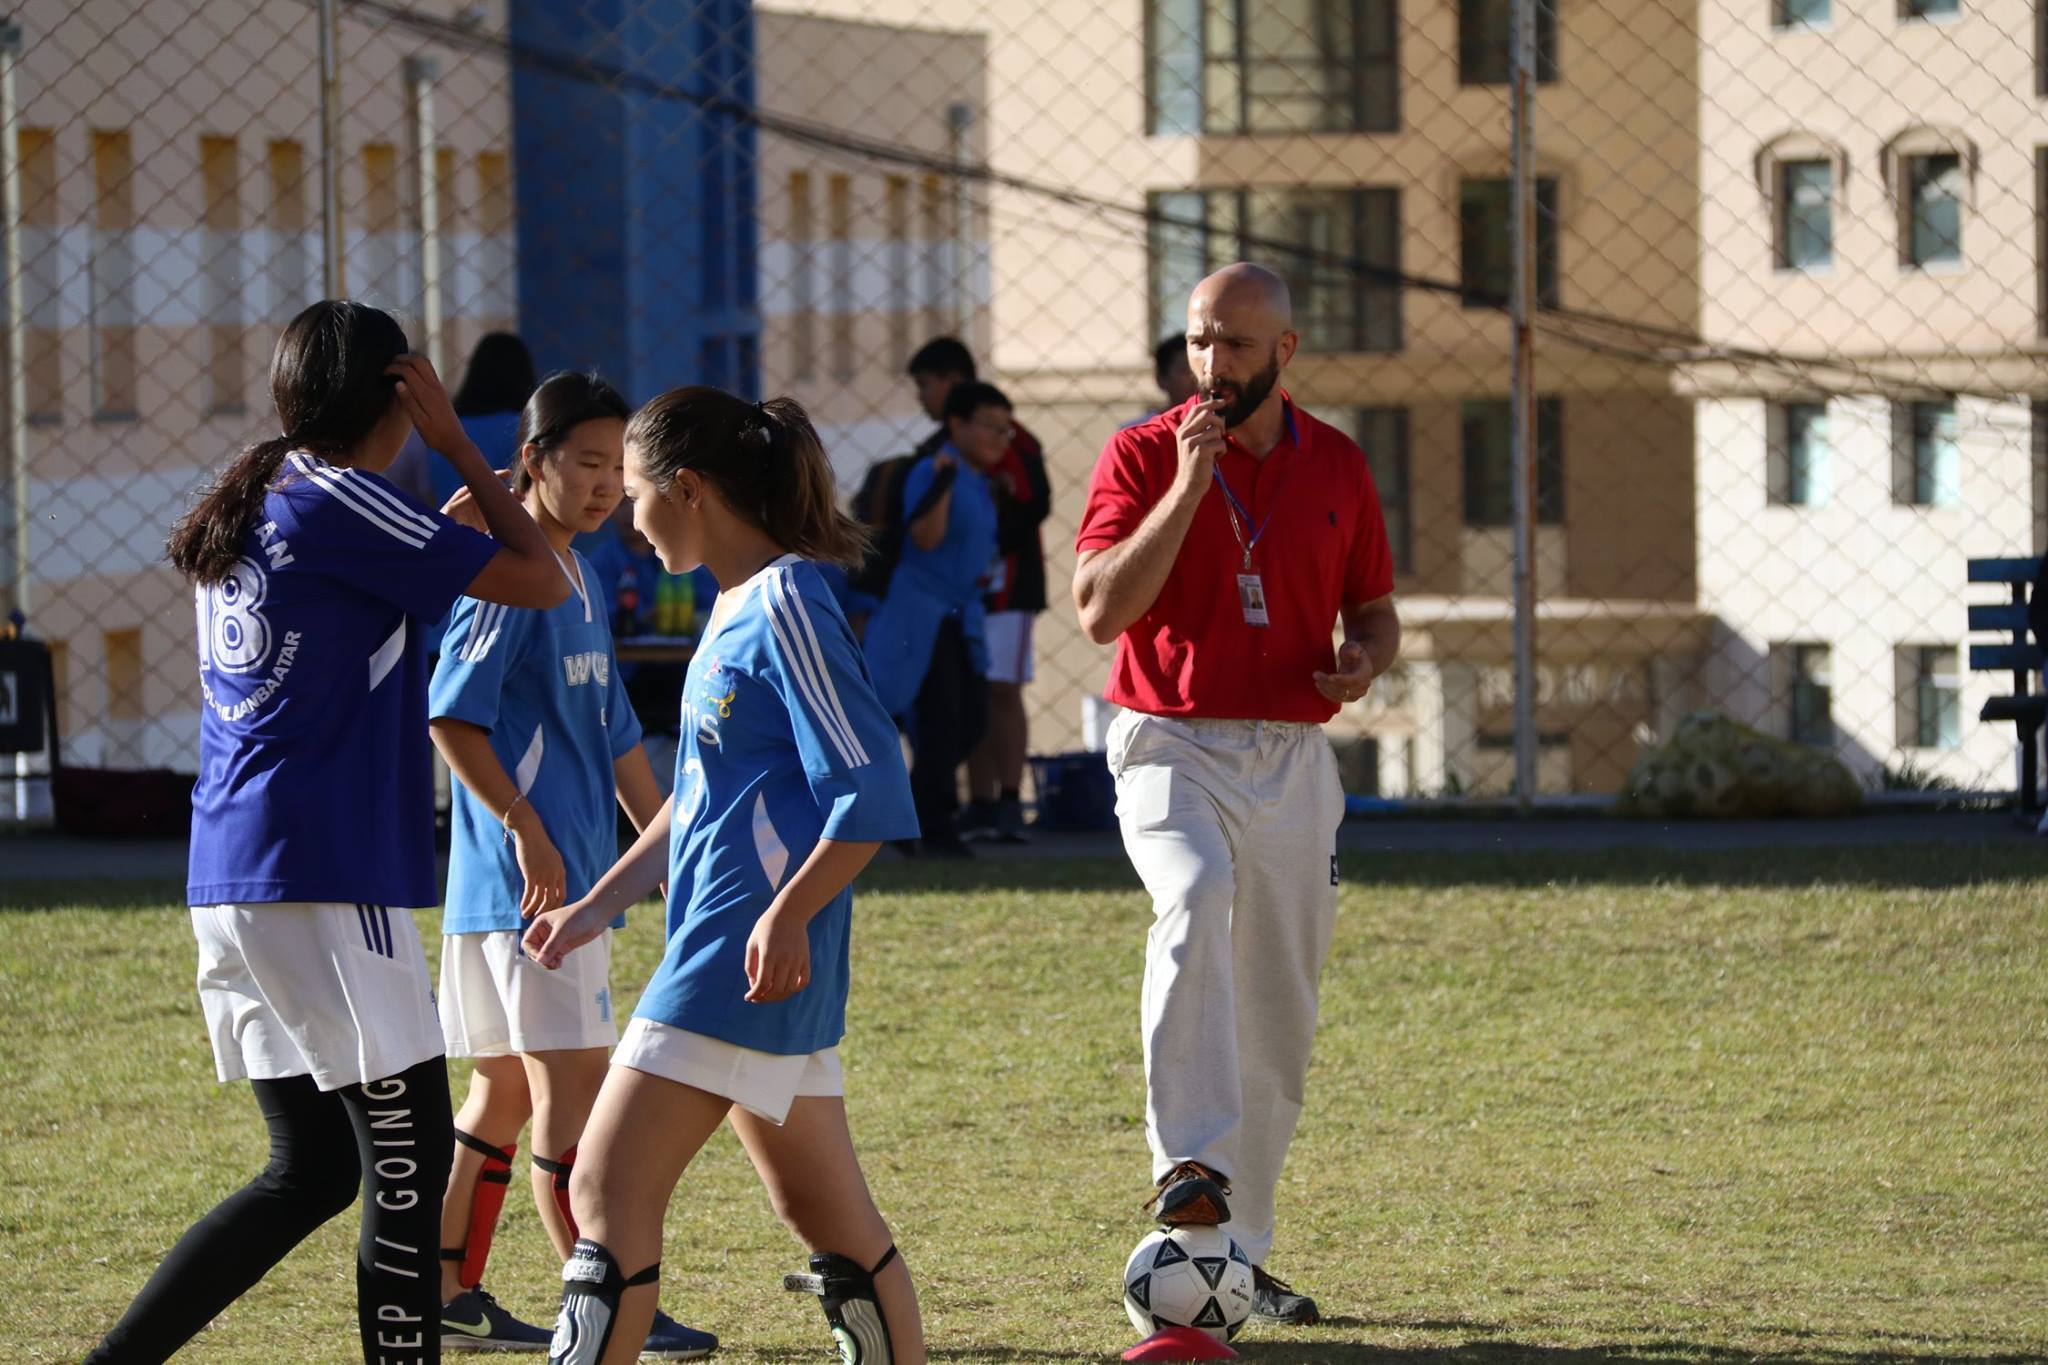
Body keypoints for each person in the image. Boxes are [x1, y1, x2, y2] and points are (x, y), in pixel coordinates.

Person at [86, 300, 569, 1364]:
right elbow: (545, 576)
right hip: (326, 871)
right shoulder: (352, 498)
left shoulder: (262, 491)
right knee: (406, 1167)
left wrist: (437, 517)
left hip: (233, 872)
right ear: (399, 392)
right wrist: (461, 447)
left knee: (311, 1170)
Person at [519, 387, 925, 1365]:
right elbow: (697, 803)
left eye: (635, 489)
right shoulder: (742, 603)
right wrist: (594, 904)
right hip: (748, 962)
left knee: (602, 1191)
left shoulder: (787, 601)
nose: (624, 513)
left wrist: (786, 914)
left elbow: (870, 790)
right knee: (828, 1219)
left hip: (731, 964)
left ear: (688, 487)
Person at [1072, 264, 1401, 1328]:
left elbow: (1375, 610)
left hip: (1293, 757)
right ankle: (1187, 1171)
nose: (1212, 366)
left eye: (1236, 347)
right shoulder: (1139, 452)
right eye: (1199, 343)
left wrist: (1365, 660)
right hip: (1170, 742)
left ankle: (1233, 1257)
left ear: (1284, 353)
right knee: (1193, 892)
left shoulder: (1339, 465)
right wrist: (1184, 486)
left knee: (1278, 1004)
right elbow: (1098, 613)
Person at [425, 372, 715, 1357]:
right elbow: (451, 719)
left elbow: (619, 739)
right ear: (532, 462)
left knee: (503, 1091)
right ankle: (604, 1300)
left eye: (615, 469)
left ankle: (448, 1289)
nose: (603, 486)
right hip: (532, 897)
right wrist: (524, 827)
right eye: (585, 464)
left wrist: (671, 852)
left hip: (540, 891)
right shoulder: (516, 576)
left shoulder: (579, 574)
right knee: (570, 1097)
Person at [861, 381, 1009, 858]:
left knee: (969, 720)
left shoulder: (980, 480)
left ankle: (910, 812)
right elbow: (924, 539)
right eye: (989, 426)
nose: (998, 439)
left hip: (959, 614)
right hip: (922, 612)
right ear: (957, 425)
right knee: (940, 720)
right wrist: (942, 485)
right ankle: (932, 823)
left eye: (1005, 431)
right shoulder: (935, 470)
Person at [387, 332, 538, 511]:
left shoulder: (442, 428)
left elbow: (426, 489)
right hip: (513, 531)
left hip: (448, 528)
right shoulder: (523, 429)